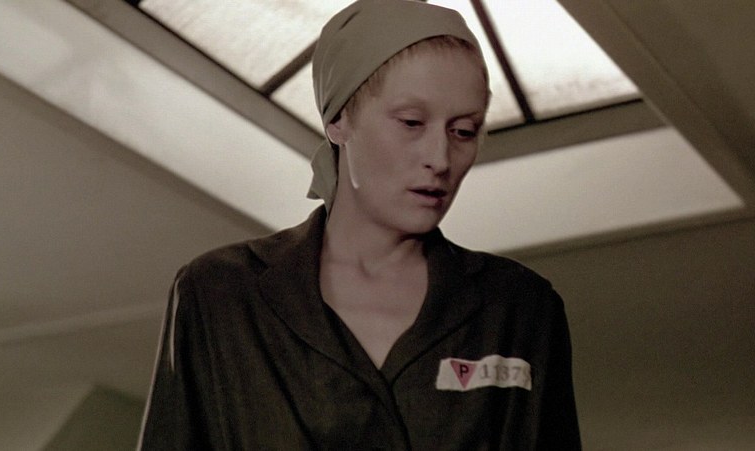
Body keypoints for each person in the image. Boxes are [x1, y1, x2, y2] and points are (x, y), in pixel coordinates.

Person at [138, 0, 580, 449]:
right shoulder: (220, 293)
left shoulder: (520, 307)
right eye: (411, 123)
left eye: (463, 131)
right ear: (338, 120)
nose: (441, 159)